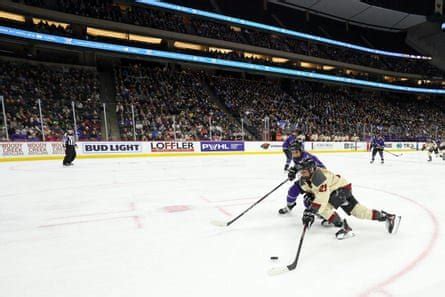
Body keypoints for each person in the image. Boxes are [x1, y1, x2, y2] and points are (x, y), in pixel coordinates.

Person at [298, 159, 400, 240]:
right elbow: (311, 190)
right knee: (357, 212)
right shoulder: (305, 178)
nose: (302, 174)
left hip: (341, 190)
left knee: (356, 212)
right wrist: (310, 196)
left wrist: (312, 211)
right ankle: (337, 222)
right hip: (333, 191)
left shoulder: (320, 178)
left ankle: (345, 226)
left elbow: (322, 198)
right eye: (301, 172)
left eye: (304, 172)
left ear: (311, 170)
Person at [278, 141, 326, 218]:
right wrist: (293, 171)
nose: (294, 154)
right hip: (305, 180)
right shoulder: (296, 157)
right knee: (293, 190)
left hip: (315, 182)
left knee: (309, 200)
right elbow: (299, 167)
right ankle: (290, 205)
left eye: (296, 152)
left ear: (301, 150)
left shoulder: (310, 158)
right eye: (292, 152)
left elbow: (323, 169)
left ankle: (322, 213)